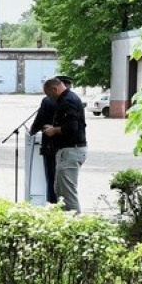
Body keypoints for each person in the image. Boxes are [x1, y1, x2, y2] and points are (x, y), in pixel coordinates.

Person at [31, 75, 87, 212]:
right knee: (59, 189)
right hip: (67, 151)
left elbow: (72, 128)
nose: (49, 99)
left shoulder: (68, 101)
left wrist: (53, 130)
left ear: (54, 89)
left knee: (67, 193)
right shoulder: (67, 98)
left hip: (71, 150)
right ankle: (64, 218)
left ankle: (74, 220)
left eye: (49, 95)